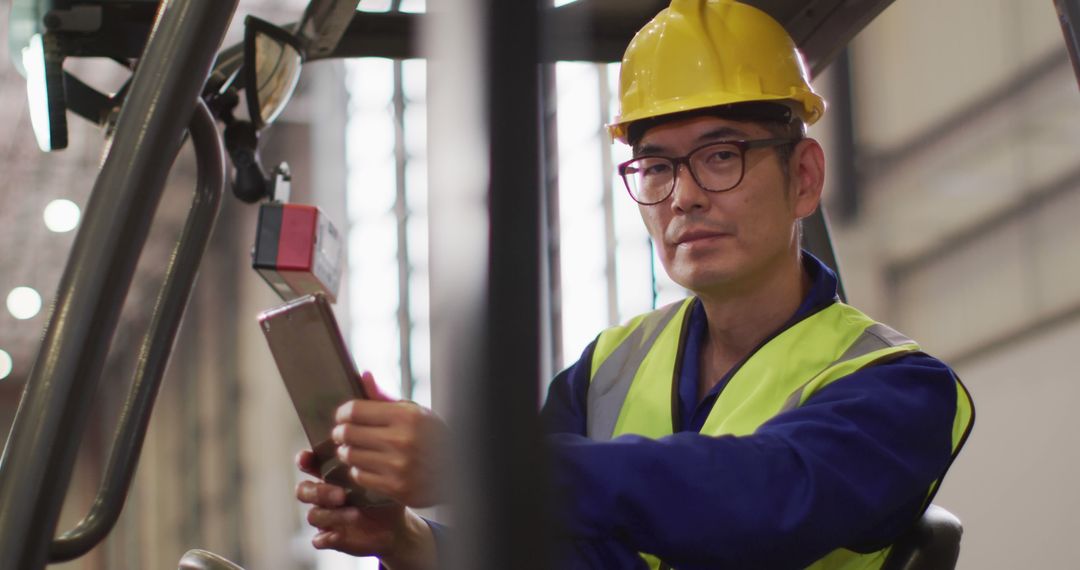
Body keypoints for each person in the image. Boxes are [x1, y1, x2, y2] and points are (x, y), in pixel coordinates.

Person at [295, 1, 974, 568]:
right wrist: (412, 542)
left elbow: (765, 502)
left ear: (804, 177)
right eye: (655, 167)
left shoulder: (898, 388)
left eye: (720, 156)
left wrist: (486, 466)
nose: (683, 197)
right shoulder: (604, 373)